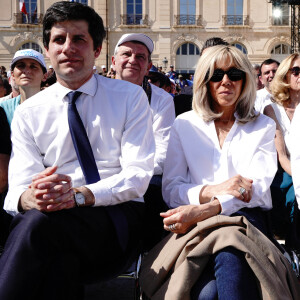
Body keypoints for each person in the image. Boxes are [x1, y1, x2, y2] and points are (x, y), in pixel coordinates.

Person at [0, 2, 155, 300]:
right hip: (52, 225)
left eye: (79, 39)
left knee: (37, 227)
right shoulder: (29, 111)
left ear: (96, 50)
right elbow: (16, 189)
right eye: (59, 39)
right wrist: (29, 196)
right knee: (58, 261)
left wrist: (78, 196)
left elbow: (138, 176)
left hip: (115, 219)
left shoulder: (129, 97)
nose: (67, 47)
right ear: (47, 50)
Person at [139, 45, 299, 300]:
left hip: (245, 220)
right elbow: (171, 188)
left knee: (225, 262)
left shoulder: (263, 126)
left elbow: (254, 189)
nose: (226, 81)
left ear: (245, 79)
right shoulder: (185, 124)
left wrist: (205, 209)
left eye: (234, 74)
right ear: (205, 80)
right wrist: (212, 190)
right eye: (216, 75)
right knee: (208, 291)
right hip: (193, 224)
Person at [112, 33, 175, 250]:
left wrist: (131, 174)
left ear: (148, 66)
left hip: (144, 176)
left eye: (140, 57)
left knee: (157, 193)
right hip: (103, 173)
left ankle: (150, 262)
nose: (132, 60)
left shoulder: (162, 100)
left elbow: (163, 153)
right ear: (113, 62)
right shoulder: (95, 95)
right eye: (126, 54)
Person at [264, 53, 300, 250]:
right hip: (284, 172)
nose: (299, 75)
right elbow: (282, 156)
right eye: (296, 71)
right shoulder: (272, 110)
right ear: (285, 76)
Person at [0, 49, 47, 126]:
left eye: (33, 66)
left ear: (45, 76)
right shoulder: (3, 108)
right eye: (21, 66)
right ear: (12, 75)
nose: (27, 71)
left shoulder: (57, 106)